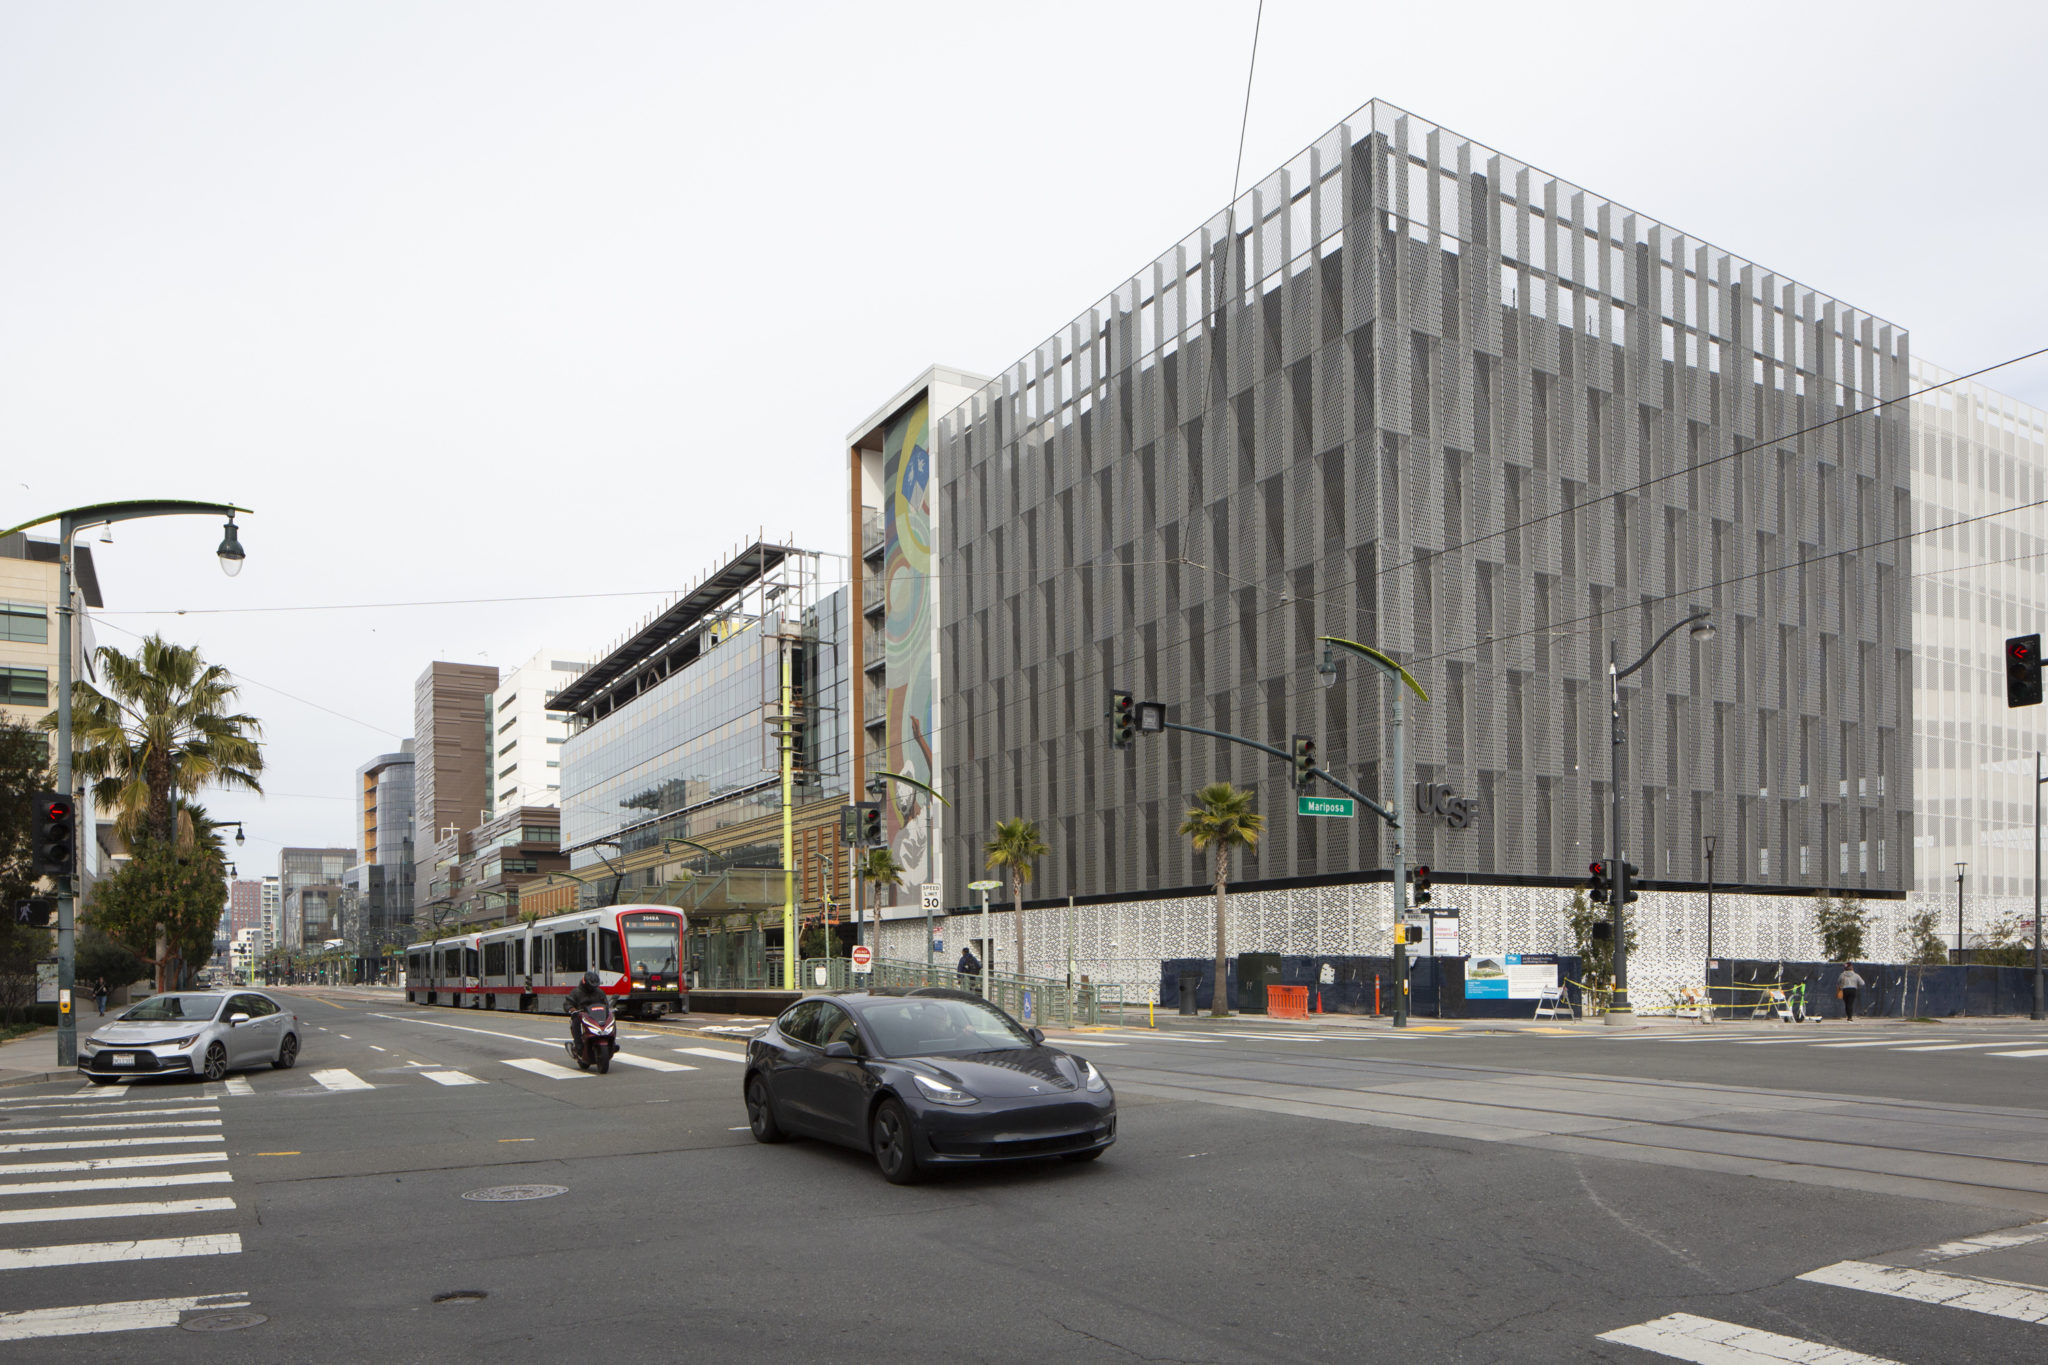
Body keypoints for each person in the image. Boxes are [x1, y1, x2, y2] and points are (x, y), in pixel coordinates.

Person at [565, 969, 606, 1049]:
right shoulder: (576, 992)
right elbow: (568, 1003)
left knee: (610, 1019)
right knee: (576, 1020)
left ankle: (611, 1040)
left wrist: (609, 1010)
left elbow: (605, 1004)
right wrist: (572, 1009)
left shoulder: (600, 992)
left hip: (597, 1016)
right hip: (583, 1016)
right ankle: (578, 1044)